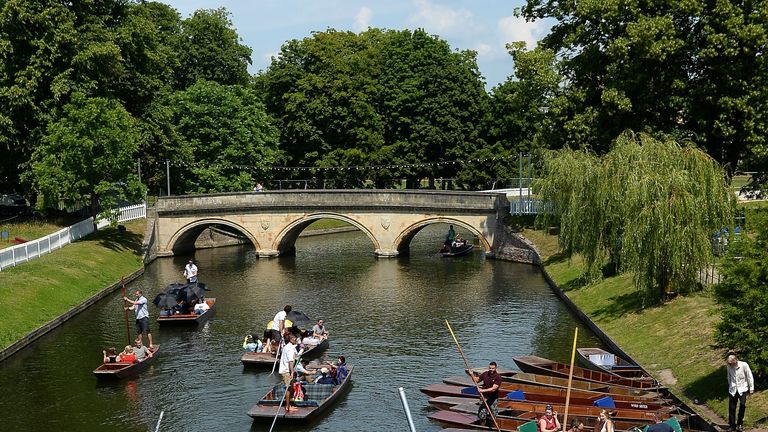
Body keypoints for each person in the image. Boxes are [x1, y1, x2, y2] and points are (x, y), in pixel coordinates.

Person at [727, 354, 754, 431]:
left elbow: (749, 376)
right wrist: (730, 386)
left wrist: (751, 388)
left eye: (731, 363)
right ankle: (732, 425)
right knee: (732, 408)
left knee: (742, 407)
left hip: (743, 389)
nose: (730, 365)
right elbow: (729, 377)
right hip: (733, 390)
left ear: (735, 361)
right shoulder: (729, 367)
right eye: (729, 363)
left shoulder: (744, 365)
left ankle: (740, 424)